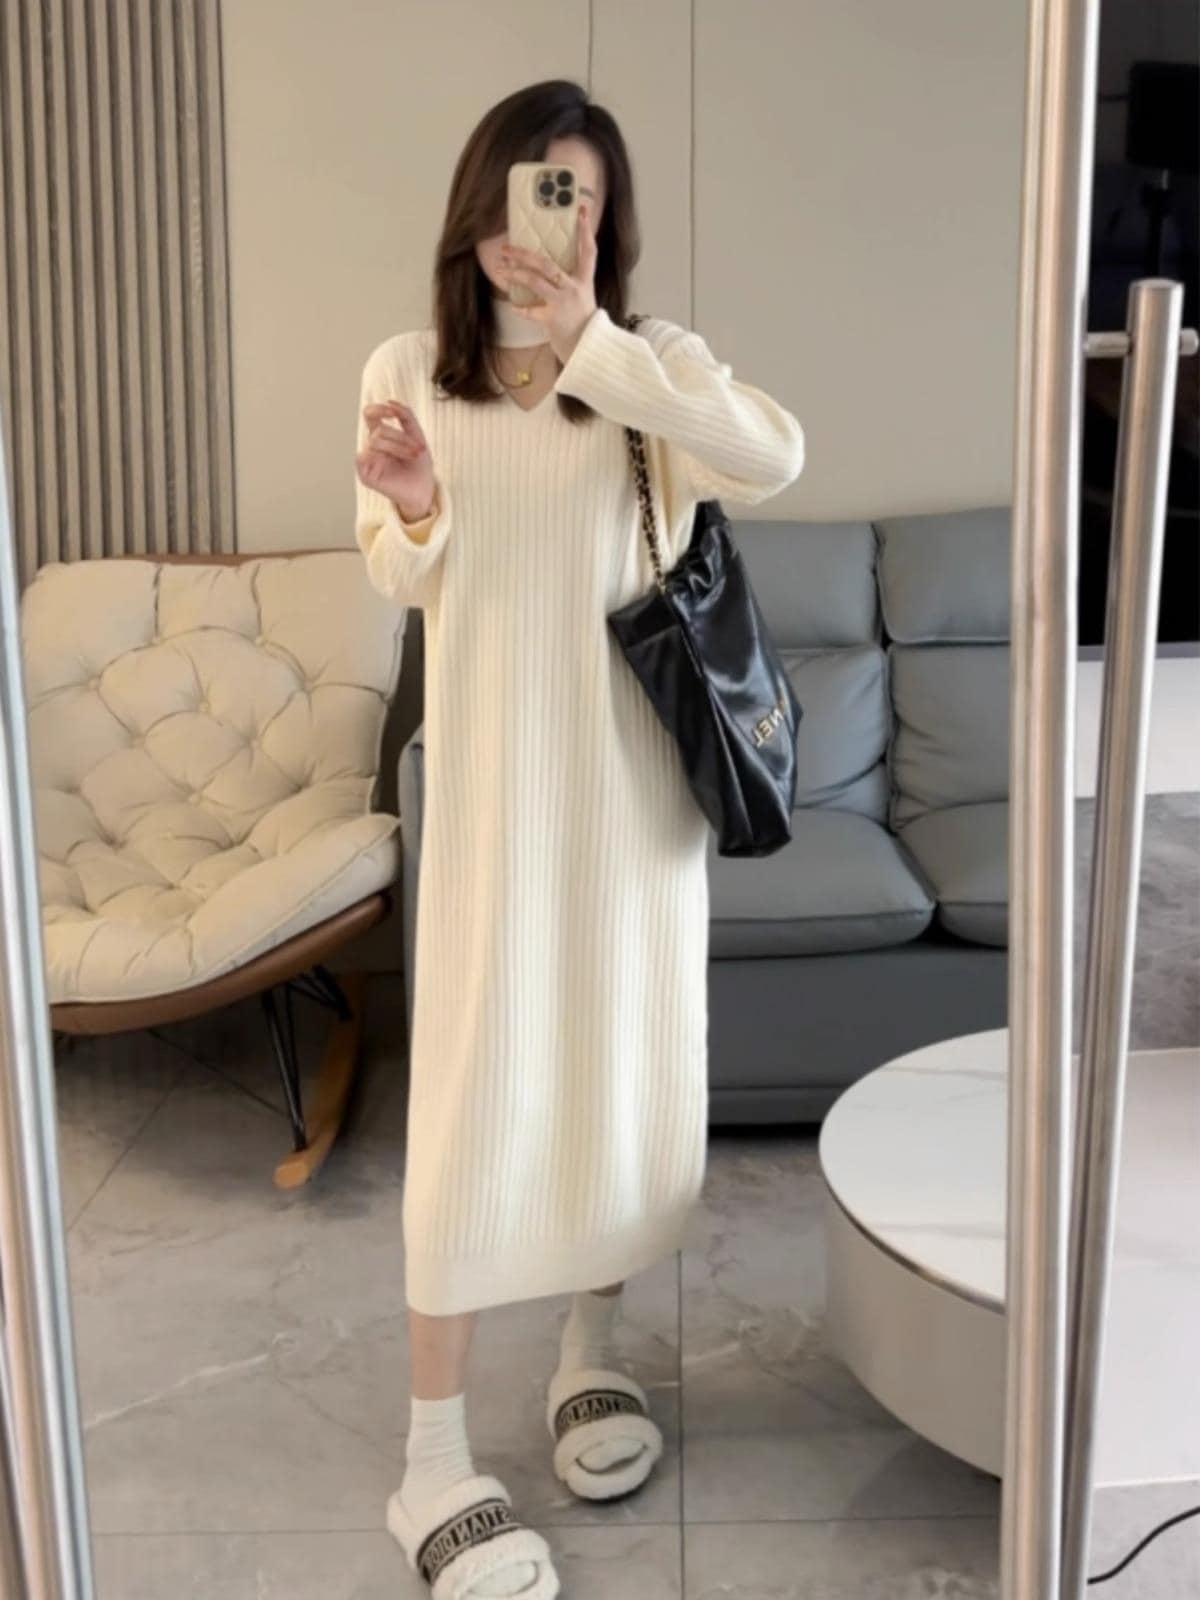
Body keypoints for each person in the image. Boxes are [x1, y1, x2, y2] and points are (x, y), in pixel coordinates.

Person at [354, 77, 805, 1600]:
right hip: (495, 800)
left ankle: (587, 1351)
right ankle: (429, 1459)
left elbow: (774, 457)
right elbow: (399, 572)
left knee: (616, 1080)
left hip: (632, 811)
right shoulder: (411, 369)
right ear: (481, 203)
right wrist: (419, 506)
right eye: (538, 189)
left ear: (608, 226)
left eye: (586, 200)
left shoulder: (649, 365)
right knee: (472, 1110)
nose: (557, 222)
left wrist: (598, 346)